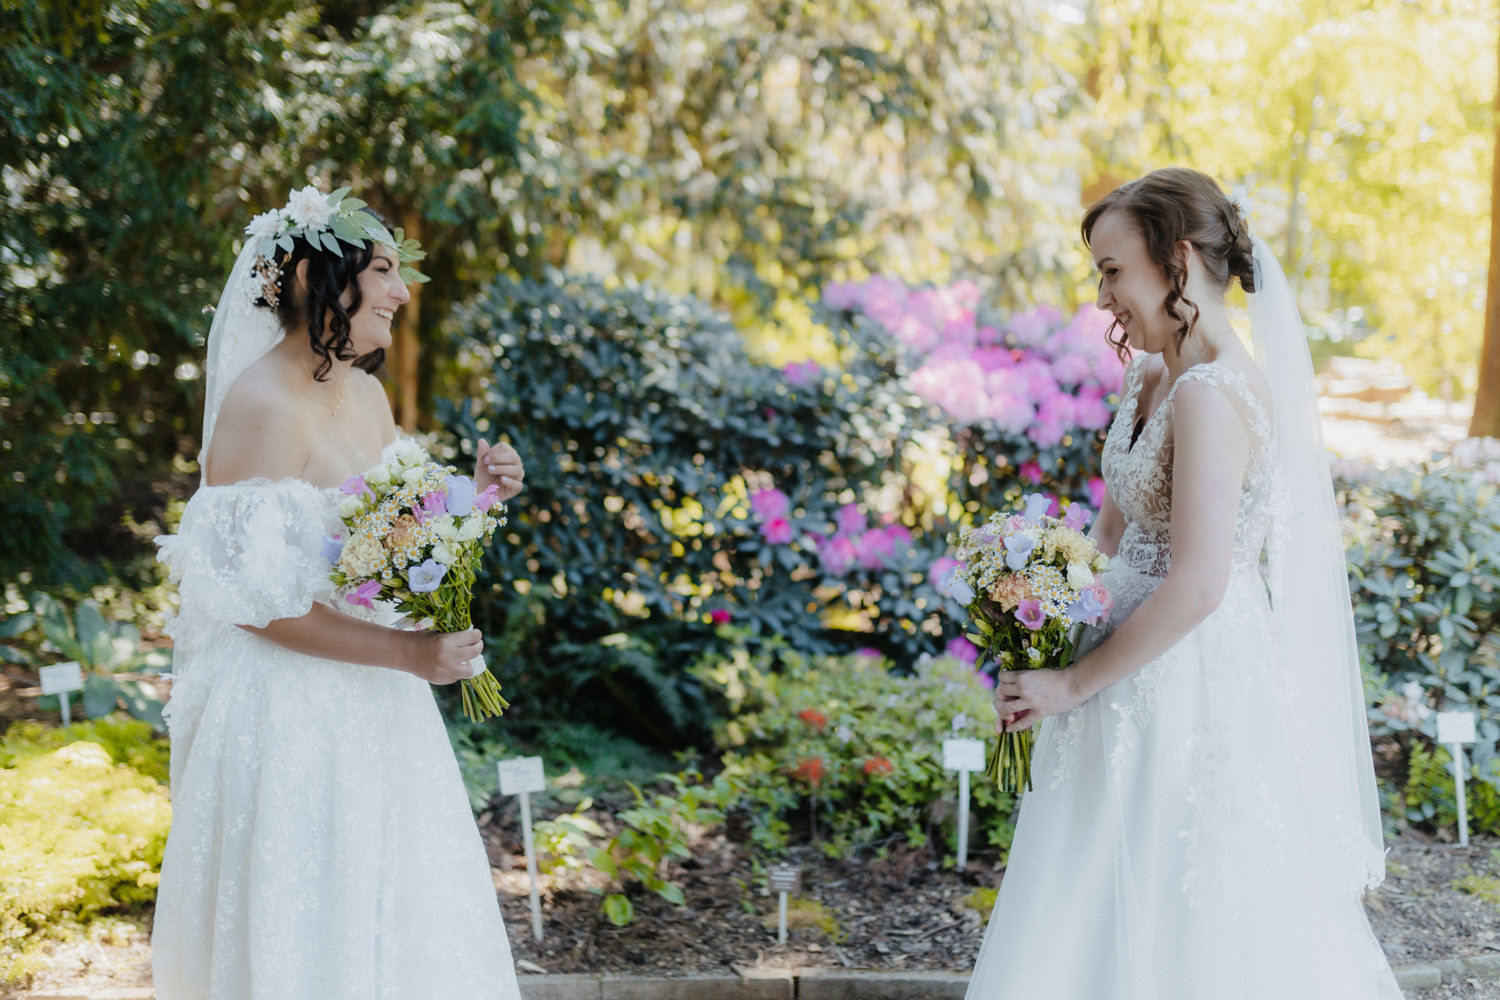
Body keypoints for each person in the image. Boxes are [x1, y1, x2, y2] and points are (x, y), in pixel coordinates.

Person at [965, 168, 1402, 998]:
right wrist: (1034, 607)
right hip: (1114, 672)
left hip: (1187, 684)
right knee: (1088, 889)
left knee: (1179, 901)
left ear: (1179, 258)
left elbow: (1201, 581)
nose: (1103, 298)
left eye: (1112, 270)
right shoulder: (1150, 375)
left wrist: (1069, 684)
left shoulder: (1210, 395)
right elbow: (1108, 533)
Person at [152, 186, 525, 1000]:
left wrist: (476, 496)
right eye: (384, 270)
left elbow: (386, 538)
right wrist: (409, 652)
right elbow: (258, 605)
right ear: (318, 278)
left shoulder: (364, 393)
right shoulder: (260, 406)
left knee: (394, 921)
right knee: (310, 922)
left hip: (379, 707)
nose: (401, 291)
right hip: (289, 718)